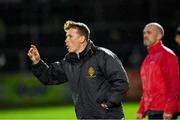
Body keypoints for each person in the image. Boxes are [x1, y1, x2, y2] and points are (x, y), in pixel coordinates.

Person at [27, 20, 129, 119]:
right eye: (66, 36)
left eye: (70, 36)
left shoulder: (103, 56)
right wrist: (37, 62)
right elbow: (49, 77)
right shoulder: (68, 62)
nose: (66, 40)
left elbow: (121, 81)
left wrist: (109, 103)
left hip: (108, 117)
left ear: (82, 38)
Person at [136, 23, 180, 120]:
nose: (145, 35)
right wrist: (141, 110)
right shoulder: (147, 59)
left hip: (164, 112)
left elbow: (174, 85)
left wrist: (169, 110)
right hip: (153, 111)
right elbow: (147, 89)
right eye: (144, 33)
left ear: (159, 35)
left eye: (149, 32)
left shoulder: (167, 55)